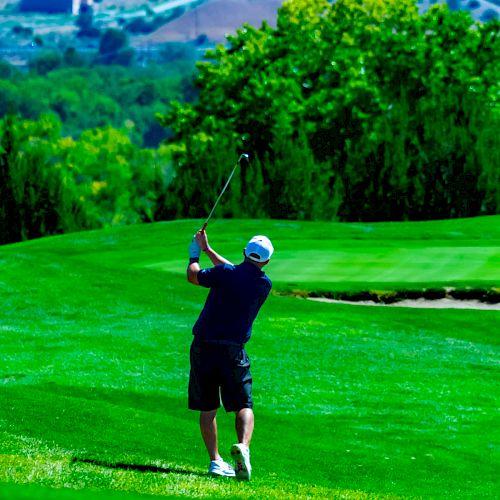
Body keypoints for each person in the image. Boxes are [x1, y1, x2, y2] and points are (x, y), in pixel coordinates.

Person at [186, 230, 273, 480]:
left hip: (203, 346)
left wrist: (195, 253)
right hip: (233, 351)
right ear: (266, 262)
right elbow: (234, 272)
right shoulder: (263, 284)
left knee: (208, 407)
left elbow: (194, 276)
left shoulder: (227, 274)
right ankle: (243, 446)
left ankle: (215, 461)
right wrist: (207, 249)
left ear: (245, 252)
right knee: (243, 405)